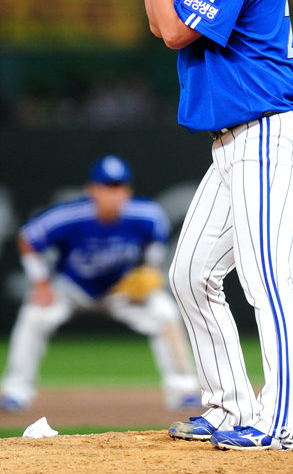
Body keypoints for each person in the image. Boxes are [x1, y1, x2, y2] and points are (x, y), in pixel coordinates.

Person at [122, 0, 293, 450]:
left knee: (267, 283)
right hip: (235, 146)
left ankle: (283, 422)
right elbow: (161, 22)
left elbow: (174, 32)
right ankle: (230, 405)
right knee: (189, 274)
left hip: (267, 139)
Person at [0, 155, 200, 412]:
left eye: (118, 186)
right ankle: (16, 391)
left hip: (120, 289)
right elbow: (28, 237)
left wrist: (148, 269)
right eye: (106, 186)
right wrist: (41, 283)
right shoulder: (70, 216)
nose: (113, 193)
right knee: (34, 315)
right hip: (72, 287)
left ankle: (183, 390)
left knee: (165, 312)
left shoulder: (145, 214)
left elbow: (156, 238)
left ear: (127, 190)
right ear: (92, 189)